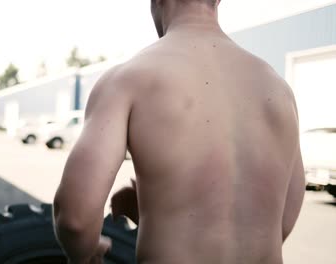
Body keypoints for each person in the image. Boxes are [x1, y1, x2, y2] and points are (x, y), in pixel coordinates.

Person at [53, 0, 305, 263]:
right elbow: (281, 221)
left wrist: (84, 251)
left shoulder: (129, 78)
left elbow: (76, 219)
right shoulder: (279, 89)